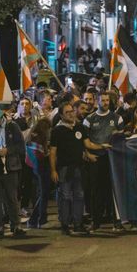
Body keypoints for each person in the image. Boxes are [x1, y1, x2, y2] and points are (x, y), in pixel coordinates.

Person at [51, 102, 100, 235]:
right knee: (65, 196)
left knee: (79, 195)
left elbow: (86, 144)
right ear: (61, 115)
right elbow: (53, 152)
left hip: (79, 167)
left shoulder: (79, 127)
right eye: (67, 112)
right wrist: (53, 170)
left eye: (72, 111)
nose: (71, 114)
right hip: (64, 169)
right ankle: (65, 224)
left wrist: (101, 147)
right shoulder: (57, 130)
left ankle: (78, 224)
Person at [83, 91, 121, 231]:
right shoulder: (89, 119)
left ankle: (116, 221)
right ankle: (96, 221)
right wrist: (87, 154)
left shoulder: (117, 118)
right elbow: (83, 141)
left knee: (113, 190)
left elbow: (122, 138)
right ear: (97, 101)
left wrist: (120, 134)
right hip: (95, 160)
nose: (105, 103)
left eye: (107, 100)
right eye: (103, 100)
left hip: (112, 160)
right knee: (96, 192)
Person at [0, 110, 26, 238]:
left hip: (10, 168)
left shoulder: (12, 126)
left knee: (12, 197)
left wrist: (7, 150)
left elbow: (21, 146)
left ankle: (16, 225)